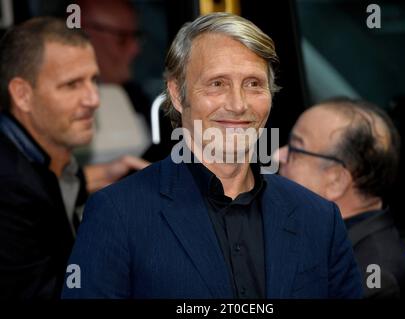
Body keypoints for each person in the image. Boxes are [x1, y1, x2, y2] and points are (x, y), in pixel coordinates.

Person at [62, 13, 362, 299]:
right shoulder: (117, 213)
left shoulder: (320, 218)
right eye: (217, 84)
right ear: (178, 95)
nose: (237, 104)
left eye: (254, 84)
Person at [0, 17, 146, 299]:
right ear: (22, 95)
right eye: (72, 85)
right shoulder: (10, 188)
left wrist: (114, 175)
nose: (94, 99)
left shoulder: (44, 159)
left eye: (93, 80)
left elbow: (63, 180)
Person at [276, 97, 405, 298]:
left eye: (295, 149)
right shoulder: (330, 239)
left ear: (336, 180)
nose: (278, 155)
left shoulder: (373, 281)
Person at [78, 0, 175, 162]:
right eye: (122, 38)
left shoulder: (137, 98)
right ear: (83, 37)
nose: (135, 49)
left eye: (136, 37)